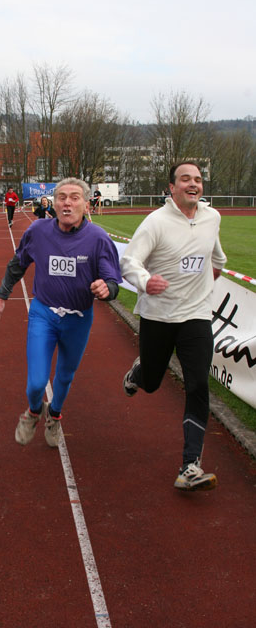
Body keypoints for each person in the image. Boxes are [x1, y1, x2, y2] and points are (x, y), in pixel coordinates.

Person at [0, 177, 122, 447]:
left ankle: (55, 414)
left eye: (74, 198)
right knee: (37, 382)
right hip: (44, 314)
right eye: (61, 197)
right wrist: (1, 296)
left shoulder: (98, 239)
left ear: (86, 205)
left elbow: (112, 281)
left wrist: (106, 288)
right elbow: (17, 264)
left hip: (79, 319)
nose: (67, 203)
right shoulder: (38, 231)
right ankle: (33, 411)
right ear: (53, 203)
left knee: (65, 375)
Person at [120, 161, 227, 492]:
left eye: (198, 179)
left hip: (196, 316)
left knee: (198, 385)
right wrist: (145, 281)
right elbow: (129, 261)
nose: (193, 184)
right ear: (171, 187)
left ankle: (190, 465)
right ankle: (140, 372)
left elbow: (217, 259)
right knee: (153, 382)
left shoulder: (212, 217)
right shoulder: (156, 222)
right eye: (185, 179)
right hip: (159, 316)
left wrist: (207, 281)